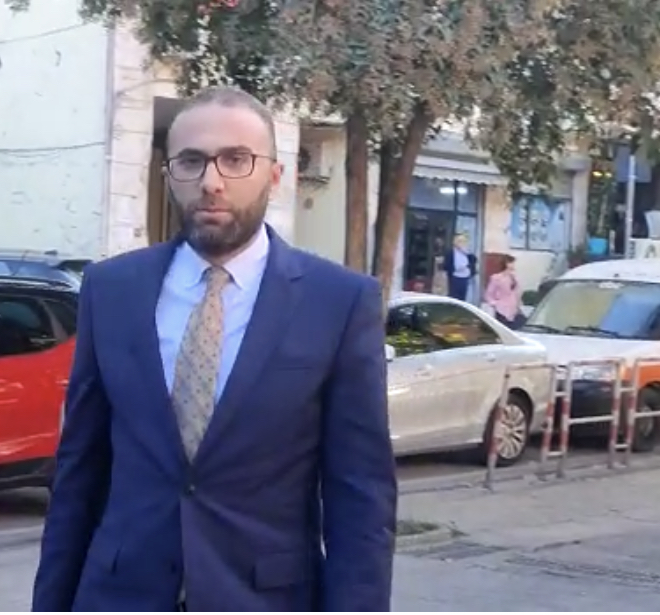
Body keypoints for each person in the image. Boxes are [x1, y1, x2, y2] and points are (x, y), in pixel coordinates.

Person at [31, 86, 397, 612]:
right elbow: (79, 474)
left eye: (236, 160)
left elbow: (360, 498)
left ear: (275, 175)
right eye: (191, 161)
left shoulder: (338, 302)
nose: (211, 182)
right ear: (169, 174)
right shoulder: (112, 290)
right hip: (118, 595)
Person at [484, 254, 525, 329]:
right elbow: (489, 294)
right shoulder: (496, 278)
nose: (513, 265)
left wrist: (519, 305)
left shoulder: (515, 278)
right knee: (501, 329)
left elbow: (517, 293)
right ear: (506, 264)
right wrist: (495, 304)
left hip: (513, 310)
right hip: (501, 309)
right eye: (511, 262)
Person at [443, 233, 477, 302]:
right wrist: (455, 269)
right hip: (455, 277)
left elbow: (474, 260)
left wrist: (467, 253)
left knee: (463, 297)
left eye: (464, 241)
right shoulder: (451, 252)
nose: (461, 243)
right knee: (454, 297)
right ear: (455, 242)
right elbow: (446, 265)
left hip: (465, 277)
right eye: (459, 241)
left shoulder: (467, 252)